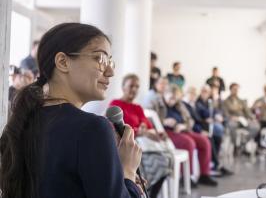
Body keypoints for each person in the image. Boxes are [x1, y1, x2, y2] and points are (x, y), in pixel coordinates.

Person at [0, 23, 142, 198]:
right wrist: (127, 172)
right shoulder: (92, 128)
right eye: (100, 59)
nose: (110, 71)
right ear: (63, 62)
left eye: (110, 61)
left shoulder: (23, 121)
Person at [109, 74, 171, 198]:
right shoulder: (116, 104)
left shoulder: (137, 107)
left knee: (166, 161)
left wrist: (159, 134)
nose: (134, 89)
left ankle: (150, 194)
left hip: (143, 145)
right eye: (131, 86)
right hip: (127, 147)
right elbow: (115, 129)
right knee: (155, 163)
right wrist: (139, 131)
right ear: (123, 87)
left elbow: (148, 126)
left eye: (137, 86)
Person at [162, 84, 217, 186]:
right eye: (170, 98)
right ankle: (186, 177)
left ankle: (204, 174)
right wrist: (164, 121)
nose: (172, 101)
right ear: (165, 94)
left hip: (183, 130)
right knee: (188, 143)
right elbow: (152, 120)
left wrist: (183, 126)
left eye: (175, 99)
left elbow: (190, 120)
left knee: (205, 141)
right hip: (168, 132)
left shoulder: (179, 105)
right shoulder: (158, 103)